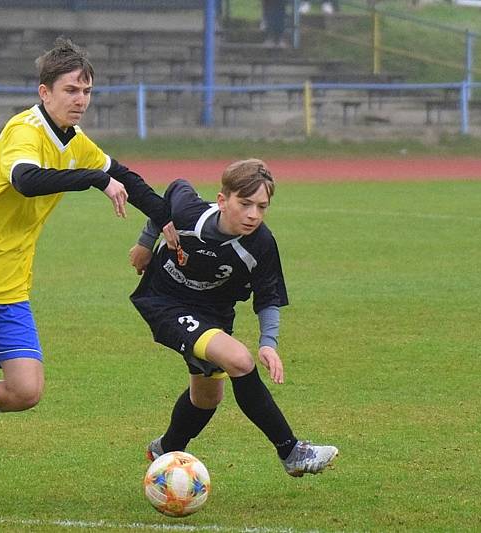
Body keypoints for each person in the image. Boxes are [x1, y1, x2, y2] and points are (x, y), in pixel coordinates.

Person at [0, 37, 179, 502]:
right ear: (45, 93)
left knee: (25, 390)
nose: (80, 100)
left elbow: (127, 178)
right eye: (70, 90)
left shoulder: (74, 141)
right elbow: (26, 181)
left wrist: (165, 220)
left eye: (86, 91)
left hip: (11, 283)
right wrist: (95, 179)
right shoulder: (24, 131)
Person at [128, 159, 338, 477]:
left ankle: (166, 449)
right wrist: (146, 242)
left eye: (262, 206)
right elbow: (172, 192)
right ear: (223, 200)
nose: (253, 214)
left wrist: (268, 343)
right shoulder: (189, 213)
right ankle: (291, 450)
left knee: (207, 398)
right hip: (165, 303)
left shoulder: (261, 244)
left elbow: (268, 296)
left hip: (213, 313)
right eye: (245, 204)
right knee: (239, 360)